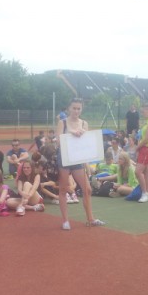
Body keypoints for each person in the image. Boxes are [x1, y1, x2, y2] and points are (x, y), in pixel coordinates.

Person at [56, 98, 105, 230]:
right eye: (74, 108)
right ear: (69, 108)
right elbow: (58, 141)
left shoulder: (84, 124)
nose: (76, 111)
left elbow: (86, 145)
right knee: (63, 189)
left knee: (87, 189)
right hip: (65, 158)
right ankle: (65, 220)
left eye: (79, 108)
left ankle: (90, 218)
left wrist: (87, 165)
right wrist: (71, 133)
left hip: (78, 159)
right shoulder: (62, 122)